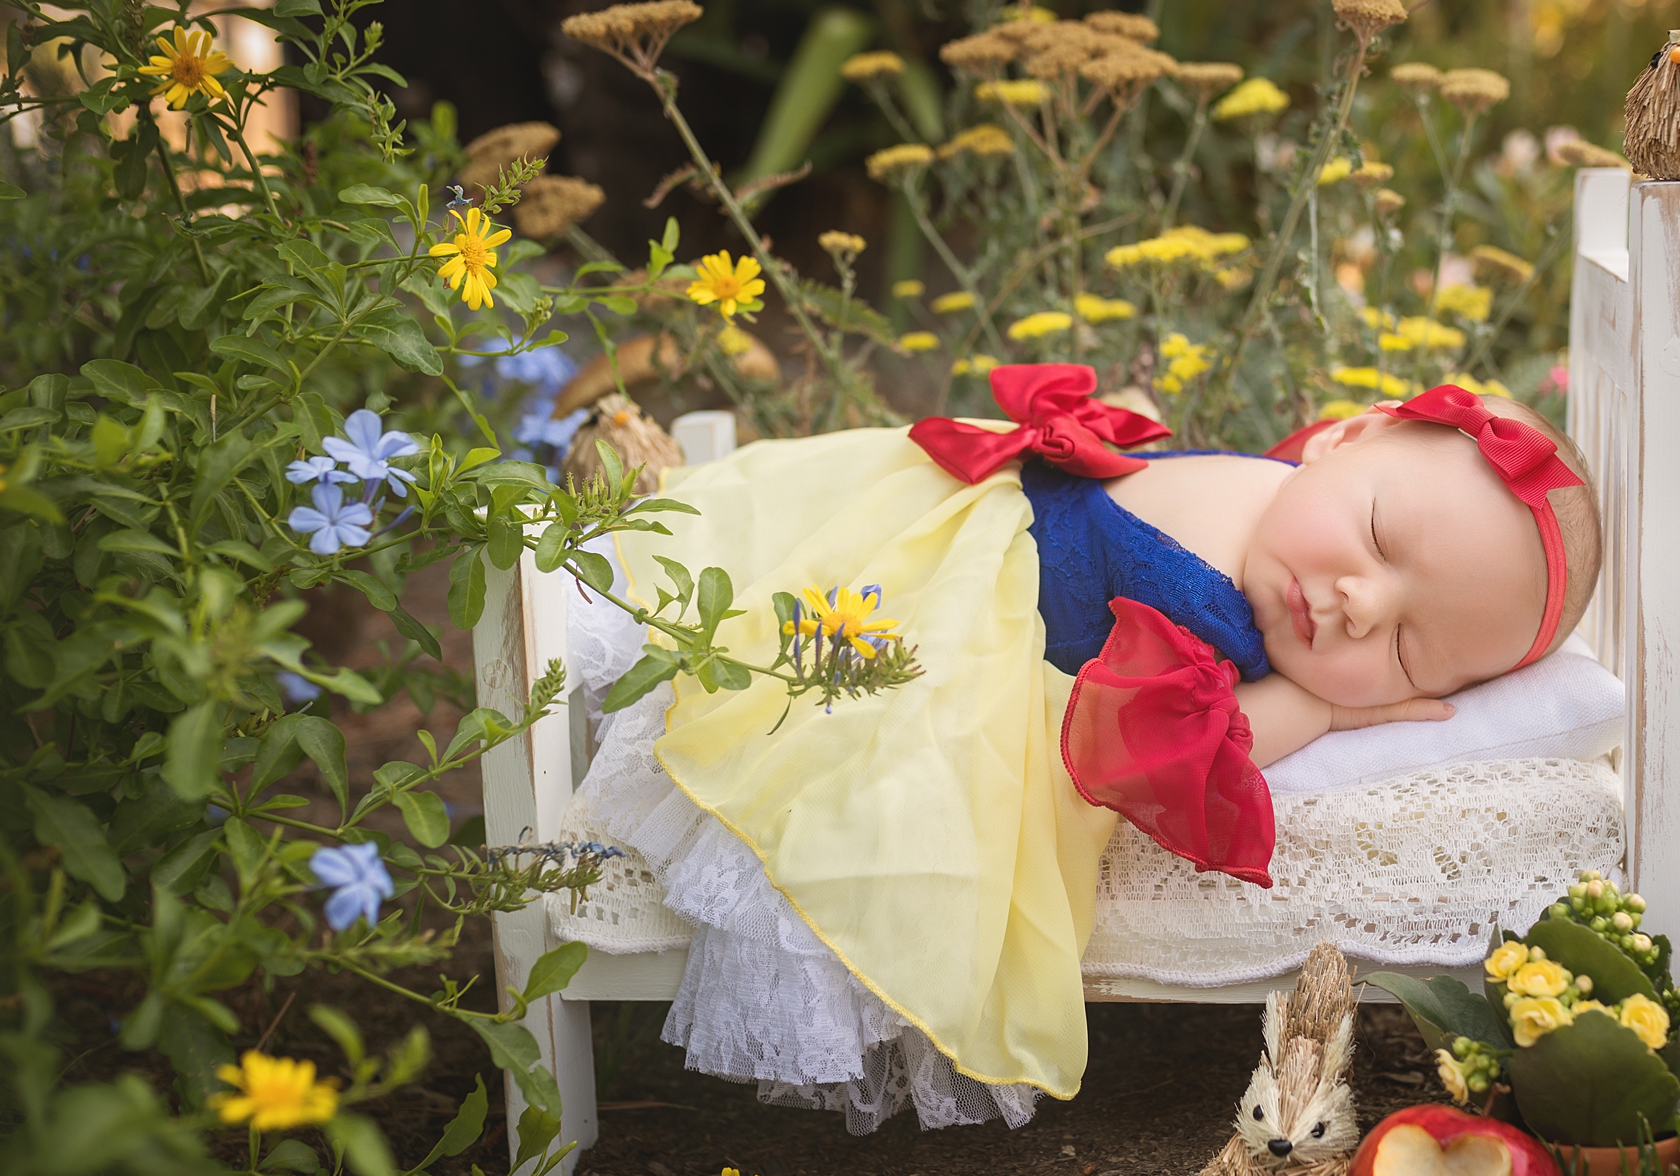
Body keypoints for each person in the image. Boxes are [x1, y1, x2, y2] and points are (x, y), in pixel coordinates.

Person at [564, 365, 1601, 1131]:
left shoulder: (1286, 492)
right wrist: (1325, 712)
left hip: (966, 511)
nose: (1354, 604)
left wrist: (1349, 611)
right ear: (1344, 439)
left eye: (1410, 648)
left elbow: (1200, 702)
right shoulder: (1211, 601)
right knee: (794, 679)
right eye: (1378, 535)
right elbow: (1185, 746)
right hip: (958, 589)